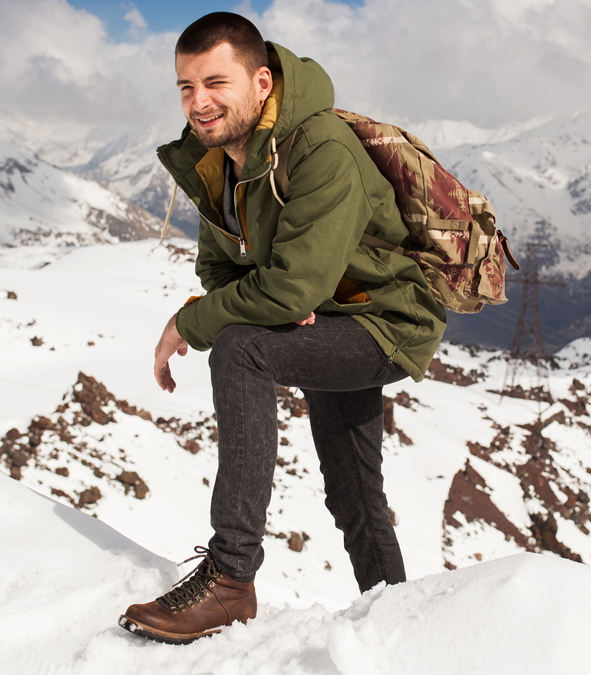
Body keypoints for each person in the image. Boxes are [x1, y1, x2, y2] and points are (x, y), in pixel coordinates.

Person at [119, 12, 446, 645]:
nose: (199, 101)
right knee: (352, 492)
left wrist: (203, 319)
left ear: (262, 82)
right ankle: (405, 632)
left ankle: (230, 579)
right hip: (327, 318)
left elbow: (294, 287)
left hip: (383, 322)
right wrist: (264, 298)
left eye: (216, 82)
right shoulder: (214, 159)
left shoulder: (319, 147)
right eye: (186, 87)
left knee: (241, 350)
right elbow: (219, 265)